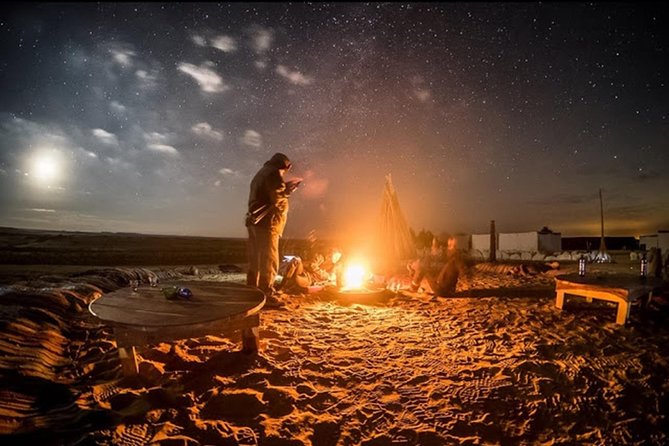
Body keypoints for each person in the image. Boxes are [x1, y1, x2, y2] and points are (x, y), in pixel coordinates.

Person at [245, 153, 301, 306]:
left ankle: (252, 292)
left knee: (255, 259)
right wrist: (288, 191)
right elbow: (277, 198)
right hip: (268, 224)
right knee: (269, 260)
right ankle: (266, 294)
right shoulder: (274, 174)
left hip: (255, 222)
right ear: (285, 166)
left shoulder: (261, 173)